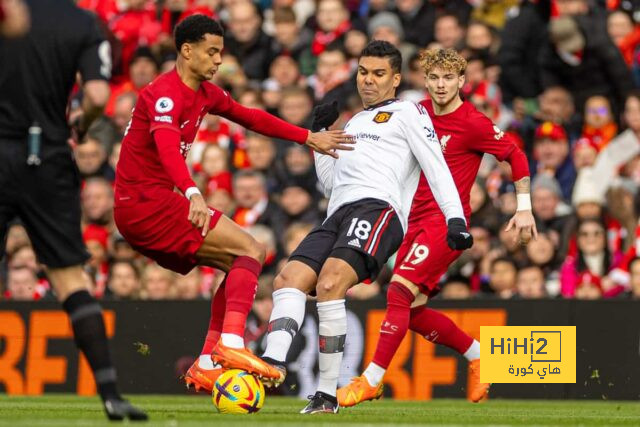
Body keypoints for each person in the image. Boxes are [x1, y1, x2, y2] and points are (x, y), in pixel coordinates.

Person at [112, 14, 352, 389]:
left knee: (238, 260)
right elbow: (165, 147)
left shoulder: (206, 93)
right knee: (253, 249)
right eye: (211, 52)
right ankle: (231, 343)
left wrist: (306, 136)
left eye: (221, 52)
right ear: (187, 51)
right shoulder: (163, 93)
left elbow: (251, 117)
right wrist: (191, 191)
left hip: (147, 203)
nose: (219, 60)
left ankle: (208, 361)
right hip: (146, 203)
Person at [259, 40, 470, 414]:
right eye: (362, 72)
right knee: (287, 278)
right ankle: (271, 363)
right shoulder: (355, 121)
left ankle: (325, 393)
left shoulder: (409, 112)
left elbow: (436, 165)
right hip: (338, 211)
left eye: (378, 74)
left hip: (378, 209)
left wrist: (455, 217)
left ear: (396, 78)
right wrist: (319, 136)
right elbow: (331, 183)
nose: (368, 81)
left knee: (330, 282)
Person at [338, 48, 536, 407]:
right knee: (411, 311)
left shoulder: (472, 122)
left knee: (397, 293)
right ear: (424, 81)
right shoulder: (415, 113)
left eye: (449, 78)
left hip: (446, 224)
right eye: (434, 78)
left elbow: (515, 154)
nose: (441, 85)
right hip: (409, 220)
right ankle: (478, 355)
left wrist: (524, 209)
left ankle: (371, 380)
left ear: (462, 81)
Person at [0, 0, 146, 421]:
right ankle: (111, 395)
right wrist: (81, 121)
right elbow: (98, 94)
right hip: (46, 154)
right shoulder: (83, 22)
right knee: (69, 278)